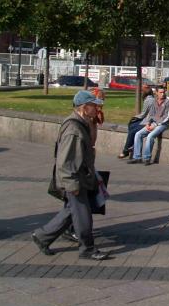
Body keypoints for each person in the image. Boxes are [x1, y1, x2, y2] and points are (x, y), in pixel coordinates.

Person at [31, 90, 110, 261]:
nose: (97, 108)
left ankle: (42, 236)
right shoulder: (74, 128)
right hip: (75, 179)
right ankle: (87, 249)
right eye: (94, 105)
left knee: (70, 211)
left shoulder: (82, 123)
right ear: (84, 107)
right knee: (83, 215)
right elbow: (65, 160)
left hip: (80, 177)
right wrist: (72, 184)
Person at [128, 86, 169, 165]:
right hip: (153, 123)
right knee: (138, 134)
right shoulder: (154, 101)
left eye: (163, 92)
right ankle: (137, 157)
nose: (163, 94)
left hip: (163, 124)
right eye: (160, 92)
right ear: (156, 93)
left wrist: (155, 125)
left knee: (150, 136)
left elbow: (167, 117)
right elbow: (151, 114)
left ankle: (147, 158)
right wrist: (148, 123)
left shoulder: (168, 100)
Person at [118, 84, 154, 158]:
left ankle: (126, 150)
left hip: (149, 122)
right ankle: (130, 146)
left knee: (132, 128)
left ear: (144, 93)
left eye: (142, 91)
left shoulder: (148, 100)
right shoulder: (152, 98)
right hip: (148, 120)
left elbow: (143, 114)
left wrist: (134, 117)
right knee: (132, 126)